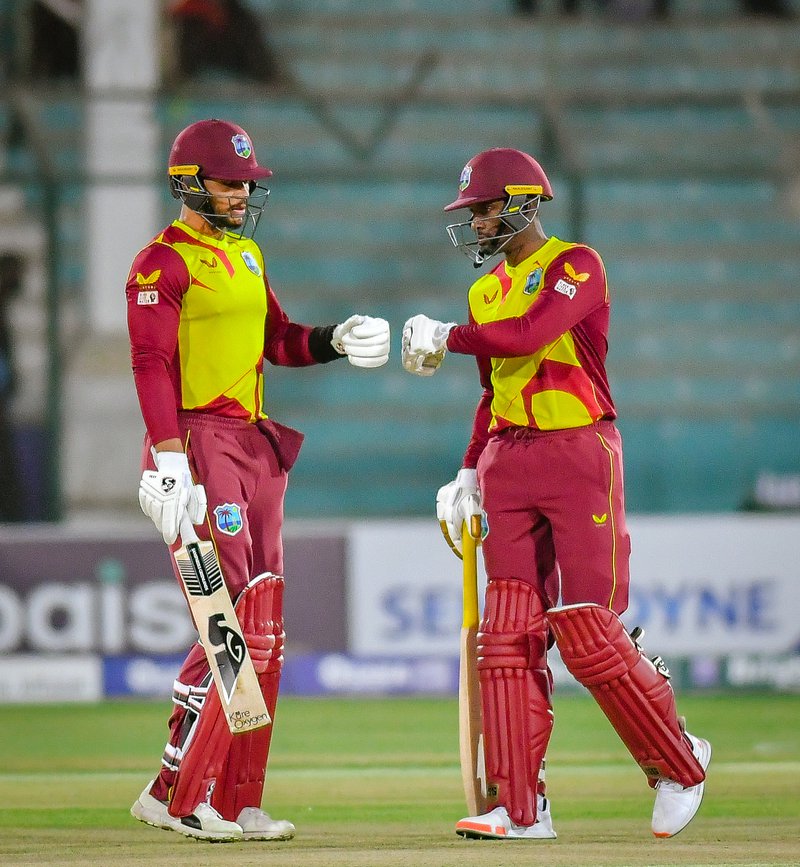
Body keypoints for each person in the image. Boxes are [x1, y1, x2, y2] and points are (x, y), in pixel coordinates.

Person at [401, 147, 711, 841]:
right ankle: (520, 807)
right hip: (508, 461)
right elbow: (492, 390)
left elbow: (532, 333)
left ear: (522, 203)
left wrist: (446, 336)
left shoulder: (577, 265)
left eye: (484, 209)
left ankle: (680, 764)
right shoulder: (484, 292)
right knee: (507, 636)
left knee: (589, 630)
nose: (476, 223)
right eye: (472, 213)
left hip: (579, 452)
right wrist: (469, 469)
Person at [126, 118, 390, 842]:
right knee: (229, 619)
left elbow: (277, 339)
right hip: (197, 444)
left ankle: (238, 798)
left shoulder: (245, 254)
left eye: (248, 183)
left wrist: (333, 340)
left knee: (262, 624)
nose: (243, 193)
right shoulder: (160, 263)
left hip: (253, 443)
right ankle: (180, 795)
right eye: (230, 182)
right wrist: (169, 458)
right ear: (189, 184)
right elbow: (150, 364)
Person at [167, 0, 284, 86]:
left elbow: (260, 62)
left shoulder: (242, 20)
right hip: (198, 77)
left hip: (242, 77)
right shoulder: (191, 16)